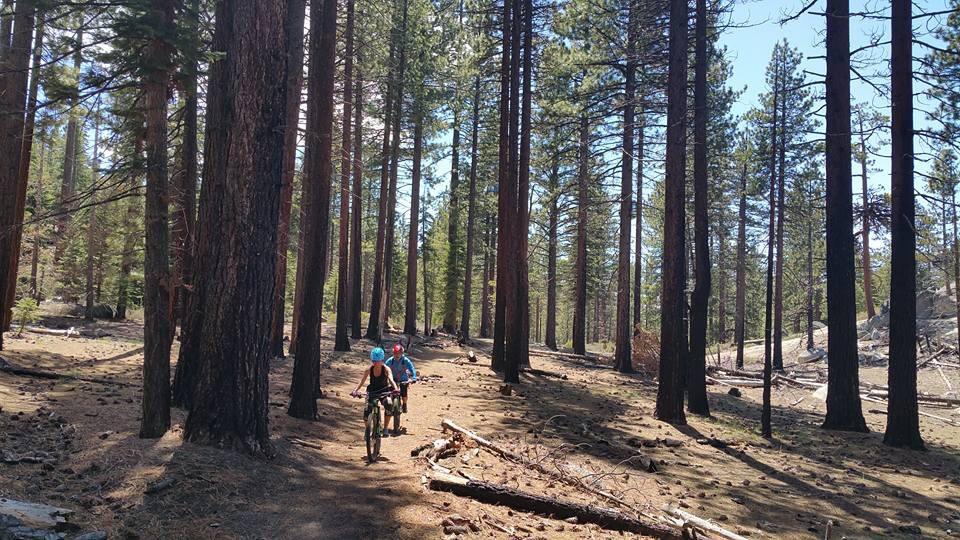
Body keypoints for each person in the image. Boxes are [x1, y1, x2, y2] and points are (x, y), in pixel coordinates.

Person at [351, 347, 399, 437]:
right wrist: (355, 390)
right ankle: (367, 429)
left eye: (377, 361)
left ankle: (385, 428)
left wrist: (395, 388)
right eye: (374, 361)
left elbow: (391, 379)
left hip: (384, 391)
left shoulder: (386, 369)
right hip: (372, 391)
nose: (376, 363)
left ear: (382, 360)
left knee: (389, 404)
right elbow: (362, 381)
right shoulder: (369, 369)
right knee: (367, 410)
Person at [386, 343, 417, 415]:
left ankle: (404, 404)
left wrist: (414, 377)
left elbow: (412, 369)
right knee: (390, 392)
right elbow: (384, 368)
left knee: (404, 394)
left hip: (403, 379)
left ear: (402, 353)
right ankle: (390, 406)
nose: (397, 355)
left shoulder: (406, 360)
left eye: (399, 353)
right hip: (393, 380)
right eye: (395, 353)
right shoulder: (390, 360)